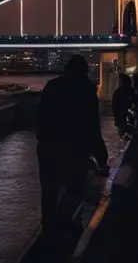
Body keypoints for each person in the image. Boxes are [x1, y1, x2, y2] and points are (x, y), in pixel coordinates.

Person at [36, 55, 109, 232]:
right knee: (75, 188)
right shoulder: (86, 89)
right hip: (75, 147)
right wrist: (101, 157)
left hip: (48, 146)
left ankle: (48, 228)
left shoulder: (51, 86)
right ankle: (65, 223)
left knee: (49, 189)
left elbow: (41, 117)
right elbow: (91, 124)